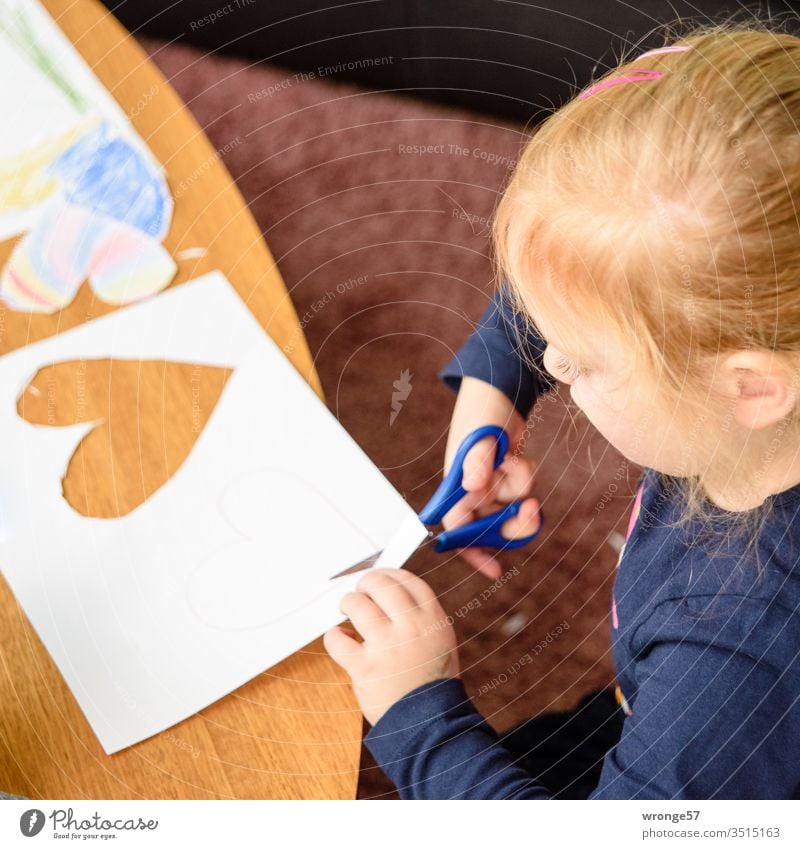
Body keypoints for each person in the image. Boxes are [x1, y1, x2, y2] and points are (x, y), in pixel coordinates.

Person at [324, 18, 800, 799]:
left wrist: (417, 712)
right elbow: (590, 268)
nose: (551, 360)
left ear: (749, 387)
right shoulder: (750, 282)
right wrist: (496, 390)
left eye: (584, 357)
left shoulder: (740, 659)